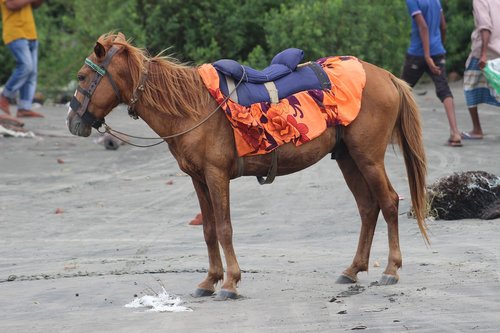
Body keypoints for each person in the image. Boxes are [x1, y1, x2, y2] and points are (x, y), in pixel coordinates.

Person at [402, 0, 463, 147]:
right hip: (437, 51)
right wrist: (438, 46)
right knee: (444, 89)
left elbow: (423, 25)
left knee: (401, 91)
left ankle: (392, 133)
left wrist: (427, 56)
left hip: (418, 53)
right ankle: (455, 133)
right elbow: (443, 26)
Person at [462, 0, 500, 140]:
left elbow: (485, 27)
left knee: (469, 85)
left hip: (485, 52)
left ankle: (477, 129)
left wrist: (483, 54)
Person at [0, 0, 44, 118]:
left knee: (32, 73)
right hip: (15, 33)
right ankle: (5, 95)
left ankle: (24, 108)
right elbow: (11, 4)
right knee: (26, 66)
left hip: (30, 33)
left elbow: (35, 5)